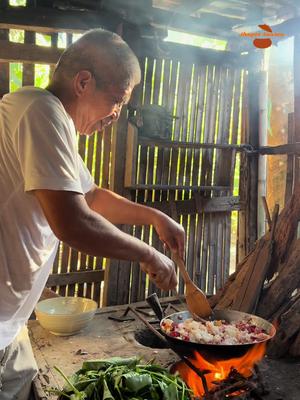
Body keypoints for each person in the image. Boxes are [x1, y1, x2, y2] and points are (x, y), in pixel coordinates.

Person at [0, 28, 184, 399]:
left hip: (10, 321)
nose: (116, 114)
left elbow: (91, 195)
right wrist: (148, 254)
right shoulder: (39, 109)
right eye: (116, 99)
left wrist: (155, 217)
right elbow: (73, 221)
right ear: (83, 82)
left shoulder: (56, 123)